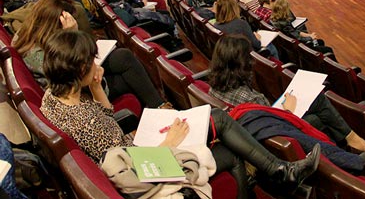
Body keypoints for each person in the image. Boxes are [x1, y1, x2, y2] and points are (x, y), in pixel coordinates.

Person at [40, 30, 320, 198]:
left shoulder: (54, 97)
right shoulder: (85, 121)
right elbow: (127, 170)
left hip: (134, 150)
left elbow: (107, 118)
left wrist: (96, 85)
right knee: (227, 142)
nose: (96, 62)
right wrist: (168, 143)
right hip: (147, 167)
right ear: (78, 70)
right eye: (91, 60)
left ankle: (280, 174)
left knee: (217, 118)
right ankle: (280, 173)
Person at [209, 35, 365, 175]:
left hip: (258, 131)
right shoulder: (250, 98)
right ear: (242, 65)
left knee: (318, 112)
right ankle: (350, 144)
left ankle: (346, 148)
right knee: (319, 108)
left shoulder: (213, 89)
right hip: (274, 136)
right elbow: (275, 126)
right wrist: (288, 109)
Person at [12, 0, 172, 109]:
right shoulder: (37, 55)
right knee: (130, 80)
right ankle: (157, 109)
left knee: (123, 57)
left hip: (78, 76)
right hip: (75, 90)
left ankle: (159, 105)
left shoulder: (30, 34)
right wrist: (72, 34)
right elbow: (74, 72)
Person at [213, 0, 279, 58]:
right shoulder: (241, 24)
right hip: (246, 57)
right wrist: (258, 39)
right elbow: (257, 45)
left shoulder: (215, 25)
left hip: (231, 56)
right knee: (272, 48)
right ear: (234, 9)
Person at [271, 0, 335, 56]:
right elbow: (298, 38)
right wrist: (310, 38)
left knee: (320, 41)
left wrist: (309, 35)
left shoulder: (275, 20)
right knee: (328, 49)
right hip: (302, 47)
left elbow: (295, 32)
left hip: (293, 45)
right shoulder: (285, 24)